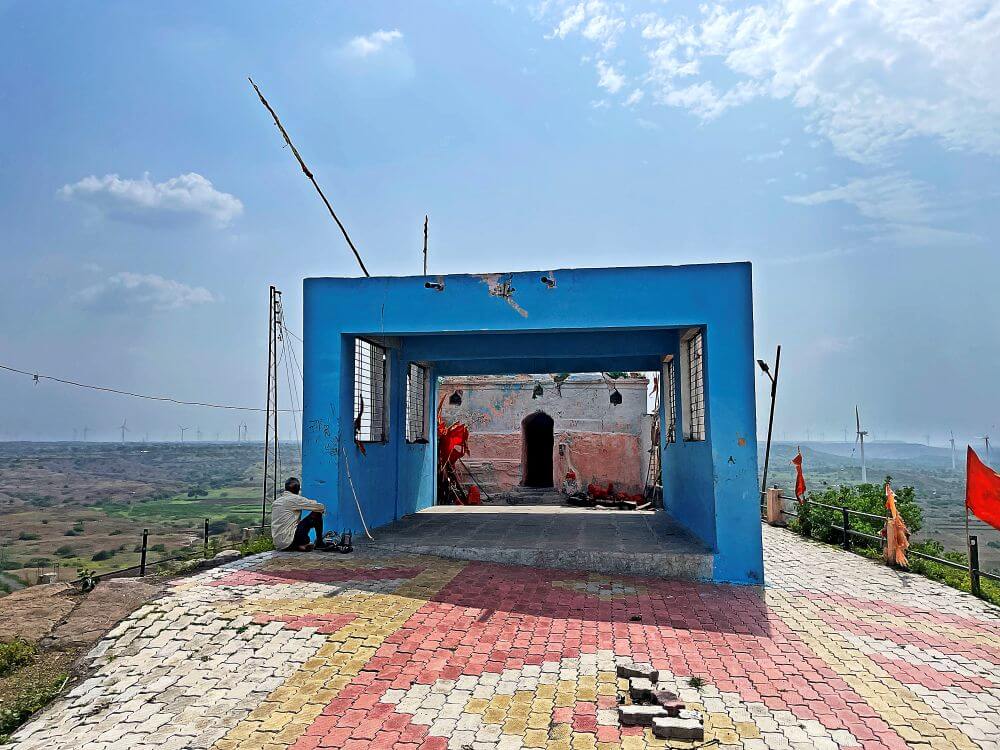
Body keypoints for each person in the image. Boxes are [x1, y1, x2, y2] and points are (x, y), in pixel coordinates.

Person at [271, 477, 328, 551]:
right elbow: (320, 507)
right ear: (298, 489)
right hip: (290, 539)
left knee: (293, 525)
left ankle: (299, 546)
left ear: (286, 488)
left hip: (278, 543)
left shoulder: (276, 501)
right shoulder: (295, 498)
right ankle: (319, 543)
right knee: (317, 513)